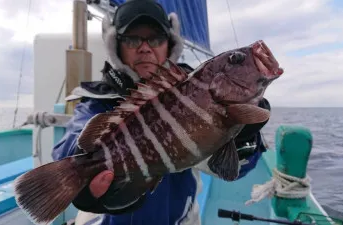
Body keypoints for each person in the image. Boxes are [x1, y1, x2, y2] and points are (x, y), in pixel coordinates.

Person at [52, 0, 271, 224]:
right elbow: (72, 140)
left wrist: (242, 137)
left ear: (169, 44)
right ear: (116, 45)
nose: (145, 47)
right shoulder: (97, 100)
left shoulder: (195, 91)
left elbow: (227, 169)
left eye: (155, 38)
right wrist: (82, 166)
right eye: (132, 38)